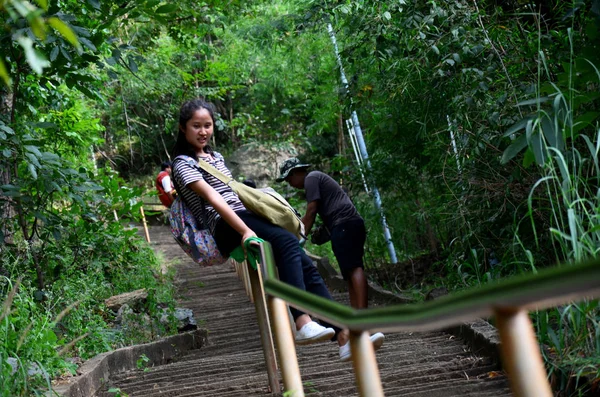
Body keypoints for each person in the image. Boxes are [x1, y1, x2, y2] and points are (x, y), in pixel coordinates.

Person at [171, 99, 353, 357]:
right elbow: (214, 199)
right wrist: (245, 231)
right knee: (288, 243)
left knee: (305, 265)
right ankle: (302, 320)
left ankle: (344, 335)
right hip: (225, 223)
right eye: (196, 126)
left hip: (245, 214)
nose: (203, 131)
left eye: (208, 125)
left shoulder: (215, 157)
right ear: (183, 128)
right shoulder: (182, 164)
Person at [276, 157, 384, 359]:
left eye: (289, 179)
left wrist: (300, 237)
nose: (291, 183)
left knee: (354, 269)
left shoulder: (312, 178)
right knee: (350, 272)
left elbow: (312, 210)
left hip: (345, 224)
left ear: (296, 173)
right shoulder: (319, 181)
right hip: (345, 225)